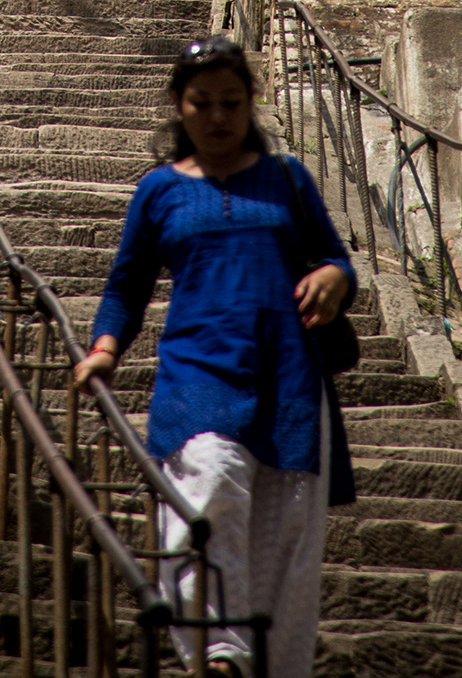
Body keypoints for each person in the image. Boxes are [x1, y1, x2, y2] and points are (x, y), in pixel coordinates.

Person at [72, 37, 354, 678]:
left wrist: (336, 281)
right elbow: (128, 282)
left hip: (288, 381)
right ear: (179, 107)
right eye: (203, 103)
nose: (219, 117)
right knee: (205, 491)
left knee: (286, 545)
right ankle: (218, 650)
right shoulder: (159, 190)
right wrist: (106, 349)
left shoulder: (287, 180)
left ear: (251, 103)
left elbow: (337, 259)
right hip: (198, 373)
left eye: (232, 102)